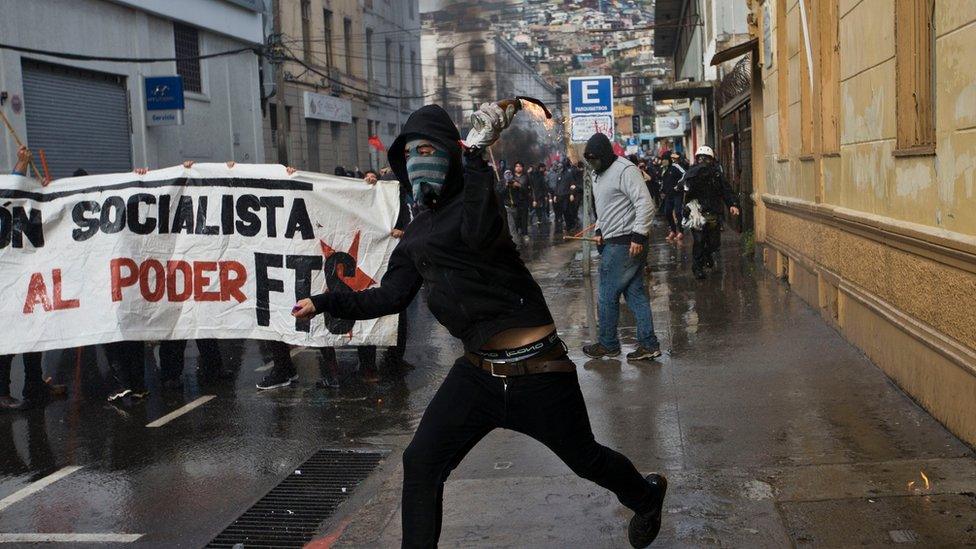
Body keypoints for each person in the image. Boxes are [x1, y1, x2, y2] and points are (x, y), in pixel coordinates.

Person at [292, 104, 667, 549]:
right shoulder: (415, 236)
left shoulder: (477, 207)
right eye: (409, 154)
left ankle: (646, 497)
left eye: (428, 150)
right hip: (478, 375)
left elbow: (477, 229)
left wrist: (475, 155)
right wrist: (322, 301)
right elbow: (389, 296)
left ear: (450, 154)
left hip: (539, 373)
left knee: (586, 459)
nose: (417, 162)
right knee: (422, 462)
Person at [581, 133, 662, 362]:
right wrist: (599, 231)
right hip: (614, 241)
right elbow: (606, 210)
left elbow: (645, 204)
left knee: (607, 294)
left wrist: (638, 235)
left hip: (624, 243)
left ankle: (608, 345)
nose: (594, 164)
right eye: (591, 161)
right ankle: (648, 344)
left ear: (606, 155)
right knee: (635, 294)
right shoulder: (598, 175)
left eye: (596, 159)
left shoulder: (625, 170)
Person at [682, 146, 740, 279]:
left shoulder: (716, 175)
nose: (703, 161)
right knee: (699, 241)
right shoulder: (691, 174)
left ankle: (707, 255)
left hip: (713, 213)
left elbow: (726, 190)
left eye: (706, 158)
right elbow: (684, 192)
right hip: (696, 213)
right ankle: (697, 268)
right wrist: (685, 211)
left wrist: (732, 204)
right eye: (701, 158)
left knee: (714, 243)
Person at [659, 151, 685, 242]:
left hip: (677, 194)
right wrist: (662, 191)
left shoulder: (675, 167)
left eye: (665, 160)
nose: (663, 161)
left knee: (678, 212)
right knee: (667, 212)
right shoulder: (663, 169)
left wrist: (678, 186)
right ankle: (673, 231)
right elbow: (663, 182)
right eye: (662, 160)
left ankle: (681, 231)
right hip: (668, 195)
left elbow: (684, 175)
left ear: (669, 160)